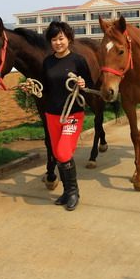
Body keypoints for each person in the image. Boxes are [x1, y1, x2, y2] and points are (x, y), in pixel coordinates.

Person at [39, 21, 94, 211]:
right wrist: (32, 87)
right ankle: (66, 192)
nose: (58, 42)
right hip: (52, 114)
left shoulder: (78, 61)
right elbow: (45, 88)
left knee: (63, 153)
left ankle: (73, 192)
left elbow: (90, 87)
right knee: (57, 155)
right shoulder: (47, 62)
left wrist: (82, 83)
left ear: (68, 38)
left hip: (72, 115)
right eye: (53, 39)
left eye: (61, 38)